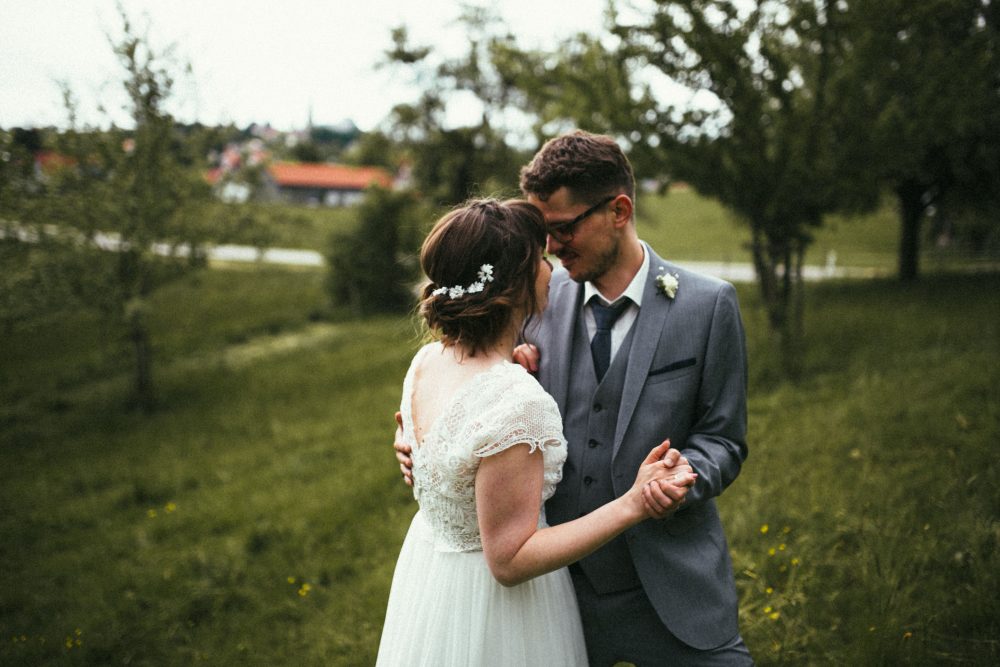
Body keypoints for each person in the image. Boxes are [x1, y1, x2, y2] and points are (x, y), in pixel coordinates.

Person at [397, 132, 752, 665]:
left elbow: (724, 437)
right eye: (543, 234)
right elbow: (468, 383)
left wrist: (683, 477)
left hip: (672, 584)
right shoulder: (527, 295)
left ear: (619, 211)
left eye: (563, 228)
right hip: (556, 592)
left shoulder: (709, 305)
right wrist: (416, 441)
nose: (552, 248)